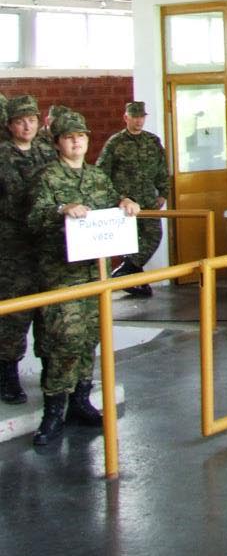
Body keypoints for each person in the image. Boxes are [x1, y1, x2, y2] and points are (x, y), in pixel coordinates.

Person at [26, 109, 141, 448]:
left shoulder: (96, 177)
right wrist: (60, 210)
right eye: (69, 137)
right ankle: (53, 410)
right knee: (63, 339)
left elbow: (111, 203)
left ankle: (80, 399)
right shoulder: (46, 177)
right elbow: (33, 218)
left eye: (81, 136)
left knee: (91, 335)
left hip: (94, 273)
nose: (76, 142)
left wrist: (124, 202)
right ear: (57, 142)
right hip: (60, 274)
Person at [0, 94, 56, 405]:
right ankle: (7, 375)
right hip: (12, 248)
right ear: (10, 125)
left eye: (32, 120)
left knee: (49, 313)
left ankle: (52, 374)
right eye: (20, 121)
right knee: (14, 314)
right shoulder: (2, 156)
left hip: (45, 246)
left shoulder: (47, 151)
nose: (27, 126)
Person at [96, 98, 171, 298]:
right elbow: (101, 172)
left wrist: (163, 192)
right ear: (126, 118)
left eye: (141, 117)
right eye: (134, 117)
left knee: (154, 235)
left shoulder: (152, 141)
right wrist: (116, 197)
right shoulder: (116, 142)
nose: (139, 121)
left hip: (148, 200)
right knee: (129, 242)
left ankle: (124, 271)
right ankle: (134, 279)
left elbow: (162, 169)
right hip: (125, 203)